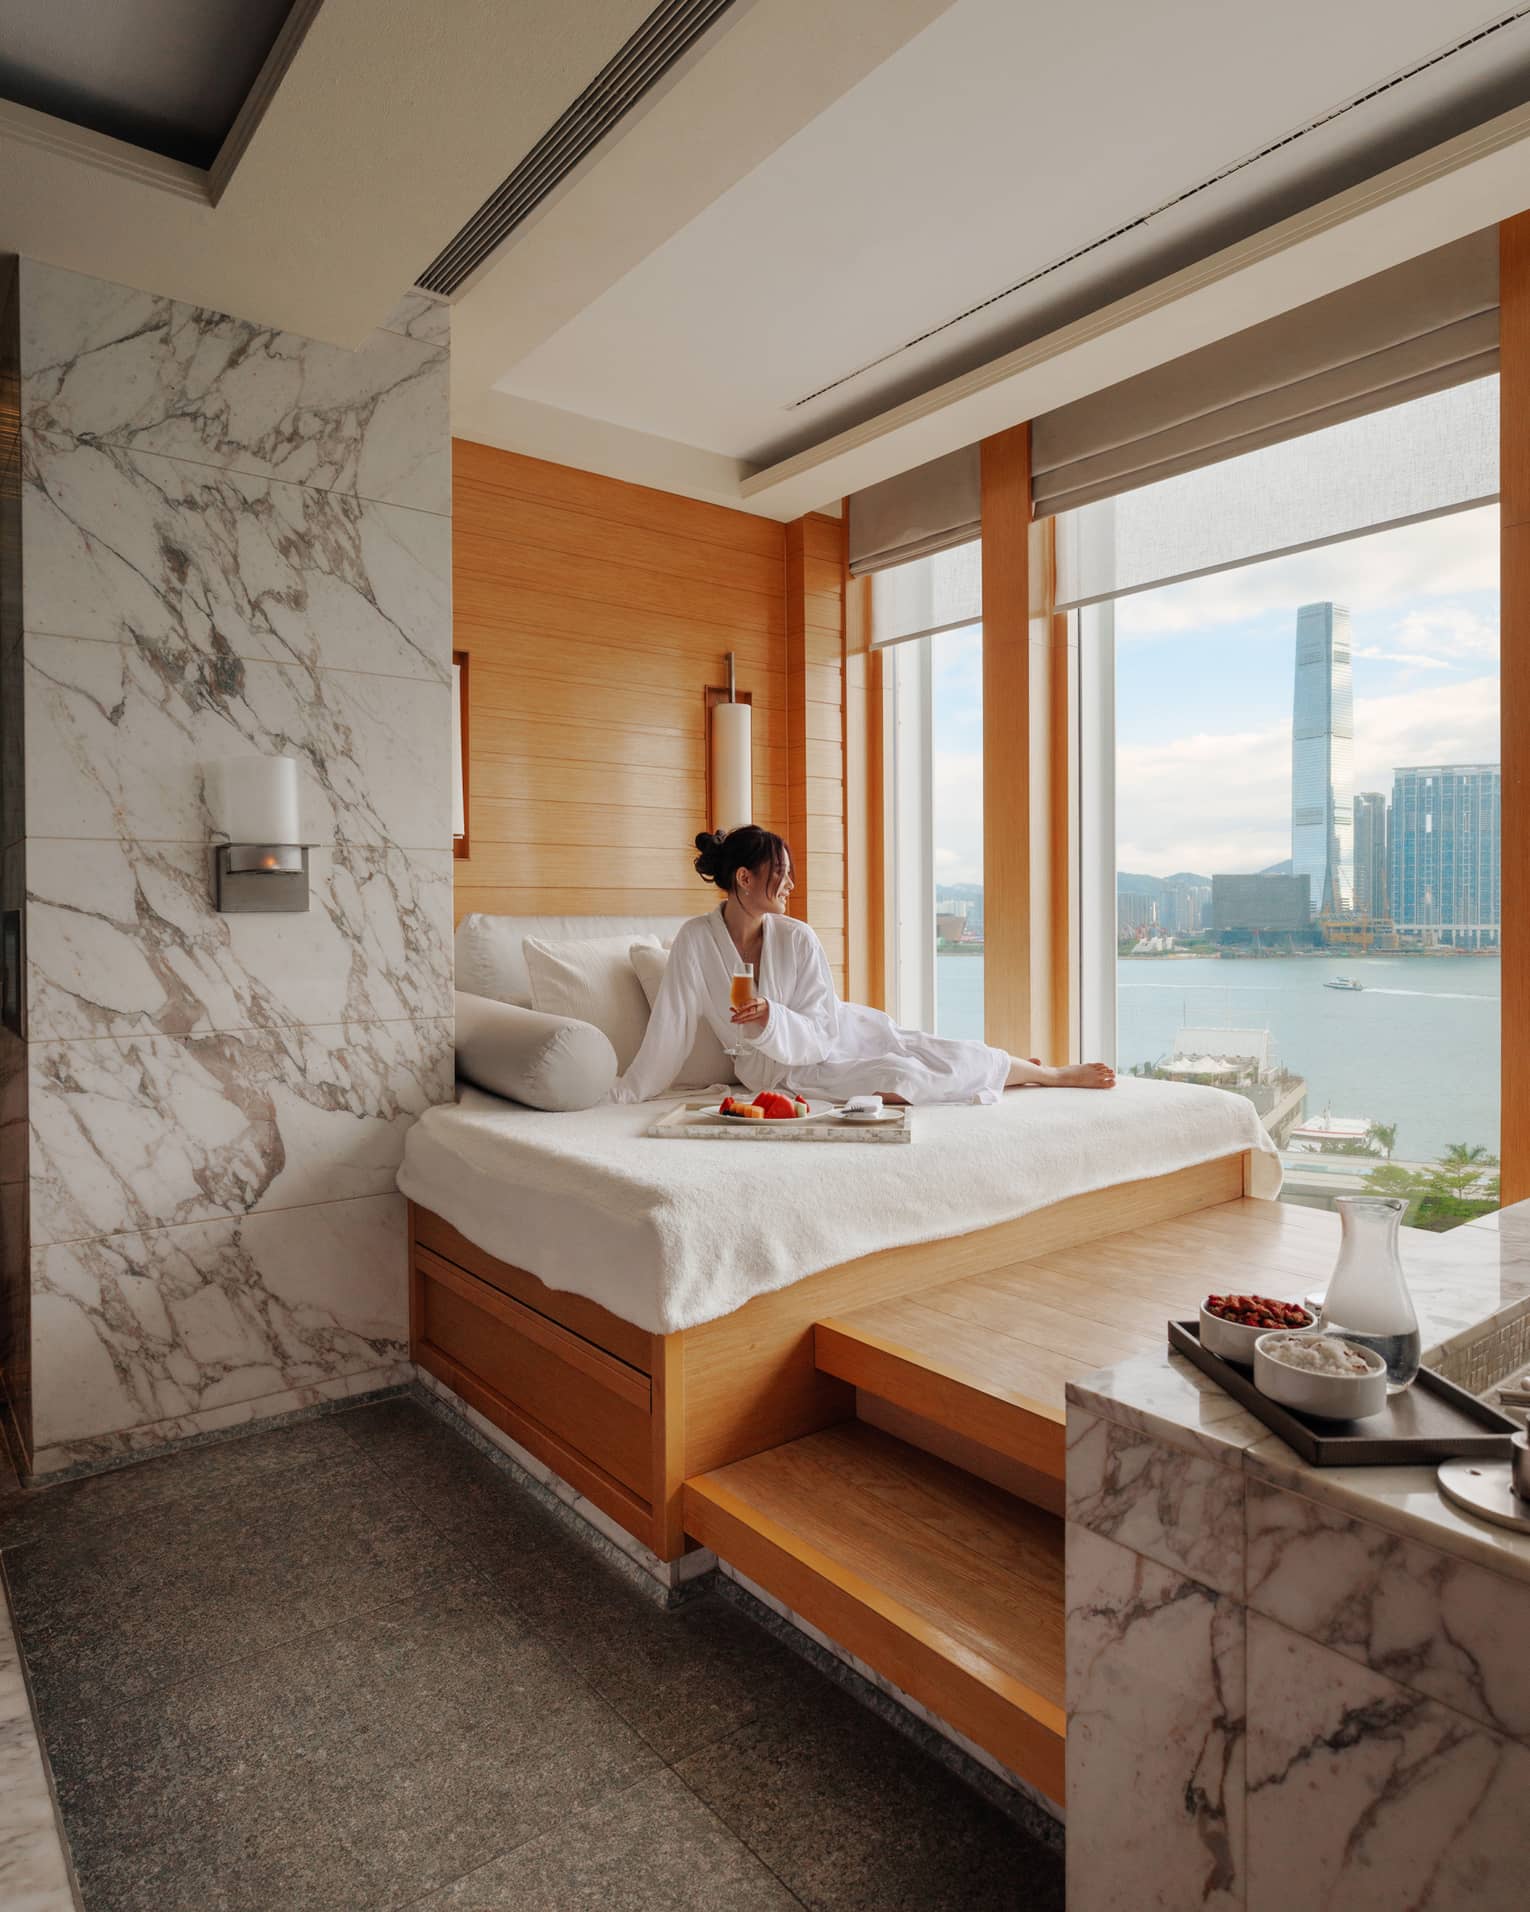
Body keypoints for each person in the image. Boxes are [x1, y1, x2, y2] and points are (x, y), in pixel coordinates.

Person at [611, 826, 1115, 1105]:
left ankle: (1048, 1075)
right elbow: (670, 1029)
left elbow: (822, 1023)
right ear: (744, 878)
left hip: (835, 1034)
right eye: (780, 875)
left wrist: (772, 1018)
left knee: (932, 1049)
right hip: (782, 1072)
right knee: (900, 1075)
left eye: (791, 875)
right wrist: (625, 1093)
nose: (790, 885)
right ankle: (1014, 1072)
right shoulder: (696, 942)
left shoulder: (797, 936)